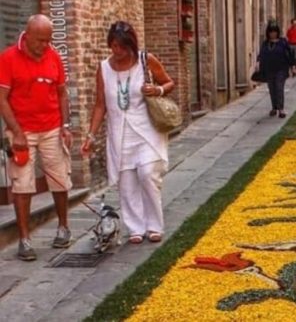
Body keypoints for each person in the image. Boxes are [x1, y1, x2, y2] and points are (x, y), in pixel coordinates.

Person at [81, 21, 174, 245]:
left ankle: (154, 225)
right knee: (127, 182)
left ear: (131, 45)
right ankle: (135, 227)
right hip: (119, 133)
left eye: (122, 47)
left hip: (147, 130)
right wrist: (91, 136)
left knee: (148, 175)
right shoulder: (104, 68)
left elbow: (169, 82)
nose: (117, 51)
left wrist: (157, 89)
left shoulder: (145, 60)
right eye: (113, 46)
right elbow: (100, 105)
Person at [0, 14, 73, 261]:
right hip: (22, 131)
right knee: (22, 184)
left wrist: (65, 126)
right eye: (40, 40)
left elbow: (62, 93)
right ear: (27, 35)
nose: (45, 45)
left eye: (48, 40)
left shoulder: (54, 56)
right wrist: (17, 133)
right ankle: (24, 239)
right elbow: (2, 99)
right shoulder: (8, 58)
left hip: (52, 127)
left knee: (59, 178)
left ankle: (63, 227)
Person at [257, 24, 295, 118]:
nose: (273, 34)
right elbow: (261, 55)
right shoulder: (265, 43)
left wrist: (292, 66)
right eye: (271, 32)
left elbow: (289, 54)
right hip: (269, 69)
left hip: (281, 69)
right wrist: (259, 65)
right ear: (268, 33)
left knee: (279, 87)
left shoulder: (282, 42)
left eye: (274, 32)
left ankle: (281, 109)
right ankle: (274, 107)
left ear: (277, 32)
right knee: (272, 89)